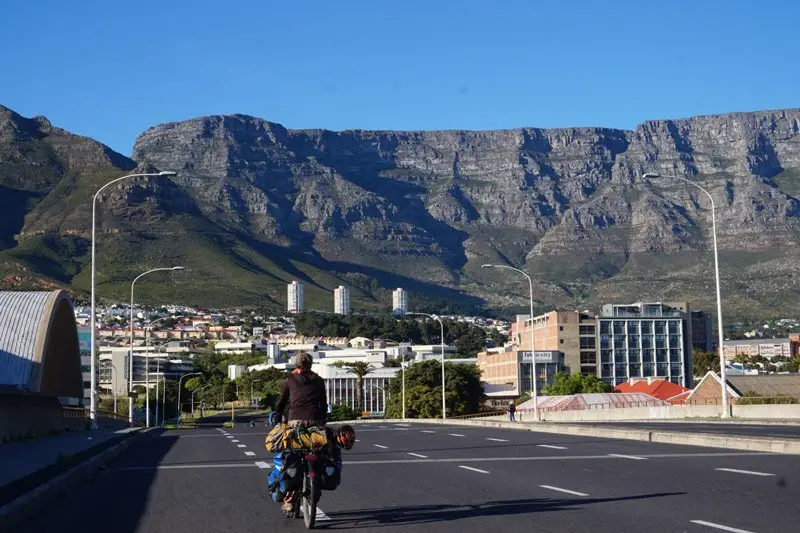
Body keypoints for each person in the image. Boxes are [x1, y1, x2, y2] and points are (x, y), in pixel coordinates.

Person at [268, 352, 329, 512]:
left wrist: (278, 418)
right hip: (316, 422)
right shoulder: (319, 381)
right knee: (318, 449)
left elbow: (281, 403)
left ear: (296, 365)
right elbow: (324, 403)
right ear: (311, 364)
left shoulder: (289, 380)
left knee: (292, 454)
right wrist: (322, 420)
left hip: (295, 421)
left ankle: (289, 496)